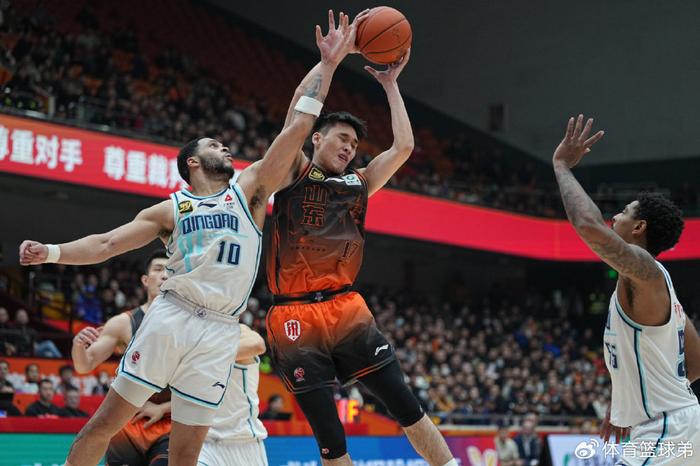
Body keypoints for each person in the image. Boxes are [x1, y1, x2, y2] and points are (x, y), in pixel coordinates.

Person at [19, 10, 361, 466]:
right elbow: (106, 244)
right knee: (103, 424)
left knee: (186, 455)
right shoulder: (171, 209)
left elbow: (295, 127)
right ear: (192, 163)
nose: (225, 146)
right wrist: (51, 252)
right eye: (213, 145)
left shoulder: (250, 192)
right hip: (173, 316)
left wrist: (328, 64)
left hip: (221, 329)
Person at [264, 23, 456, 466]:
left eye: (354, 143)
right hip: (294, 314)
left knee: (406, 405)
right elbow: (296, 115)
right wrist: (329, 63)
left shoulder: (360, 183)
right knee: (331, 437)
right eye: (342, 139)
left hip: (346, 308)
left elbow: (403, 146)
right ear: (317, 138)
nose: (350, 148)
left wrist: (390, 85)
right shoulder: (294, 170)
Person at [553, 115, 700, 465]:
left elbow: (588, 225)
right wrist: (629, 402)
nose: (614, 217)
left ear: (639, 227)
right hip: (672, 427)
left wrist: (561, 166)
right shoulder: (660, 289)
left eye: (623, 211)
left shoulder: (645, 272)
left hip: (666, 430)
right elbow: (696, 364)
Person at [72, 250, 171, 466]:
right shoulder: (123, 323)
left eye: (170, 270)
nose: (164, 275)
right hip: (127, 422)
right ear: (145, 280)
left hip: (169, 422)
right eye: (158, 269)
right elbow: (84, 365)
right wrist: (78, 346)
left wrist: (162, 409)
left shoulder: (190, 325)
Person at [198, 324, 269, 466]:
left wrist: (197, 356)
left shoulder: (239, 330)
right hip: (205, 442)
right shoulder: (189, 334)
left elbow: (258, 345)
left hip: (243, 442)